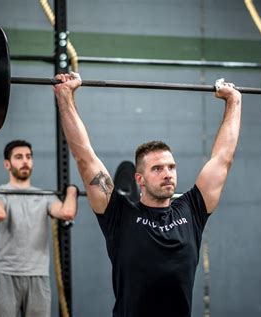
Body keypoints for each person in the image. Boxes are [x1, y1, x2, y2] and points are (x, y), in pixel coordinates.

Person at [54, 72, 241, 317]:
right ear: (139, 179)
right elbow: (84, 157)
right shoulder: (119, 214)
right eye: (157, 168)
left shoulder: (191, 209)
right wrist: (65, 96)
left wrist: (234, 101)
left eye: (171, 167)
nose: (168, 174)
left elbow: (222, 159)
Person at [0, 139, 79, 317]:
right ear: (7, 164)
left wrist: (72, 190)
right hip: (6, 274)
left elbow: (67, 212)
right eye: (19, 157)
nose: (25, 161)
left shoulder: (44, 196)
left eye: (28, 157)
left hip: (38, 274)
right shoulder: (1, 193)